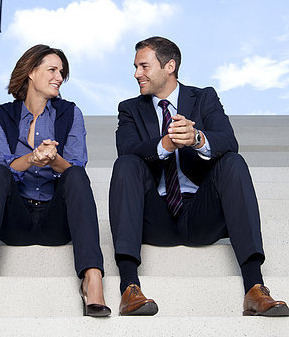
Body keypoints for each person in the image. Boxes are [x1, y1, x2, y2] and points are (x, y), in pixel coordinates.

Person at [109, 36, 289, 317]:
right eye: (135, 67)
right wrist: (163, 146)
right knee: (126, 165)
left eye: (143, 66)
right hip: (155, 217)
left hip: (201, 214)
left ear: (170, 66)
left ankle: (255, 288)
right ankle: (130, 287)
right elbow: (127, 148)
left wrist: (197, 138)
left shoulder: (204, 97)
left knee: (233, 161)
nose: (136, 74)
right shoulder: (129, 108)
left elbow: (228, 140)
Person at [0, 44, 111, 318]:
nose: (59, 77)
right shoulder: (2, 115)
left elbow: (76, 165)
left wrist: (53, 158)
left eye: (61, 72)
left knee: (76, 175)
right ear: (31, 72)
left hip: (56, 221)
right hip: (14, 222)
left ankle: (92, 279)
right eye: (52, 70)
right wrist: (32, 158)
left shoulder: (70, 113)